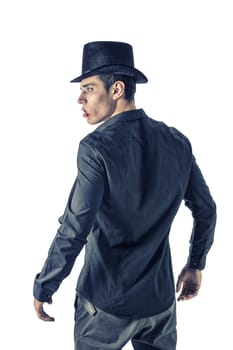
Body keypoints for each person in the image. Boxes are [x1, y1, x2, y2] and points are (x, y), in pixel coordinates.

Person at [33, 41, 216, 350]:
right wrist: (195, 264)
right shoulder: (177, 142)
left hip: (105, 306)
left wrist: (45, 285)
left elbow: (75, 228)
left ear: (116, 89)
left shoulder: (95, 149)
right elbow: (206, 209)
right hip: (159, 307)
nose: (80, 99)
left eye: (88, 89)